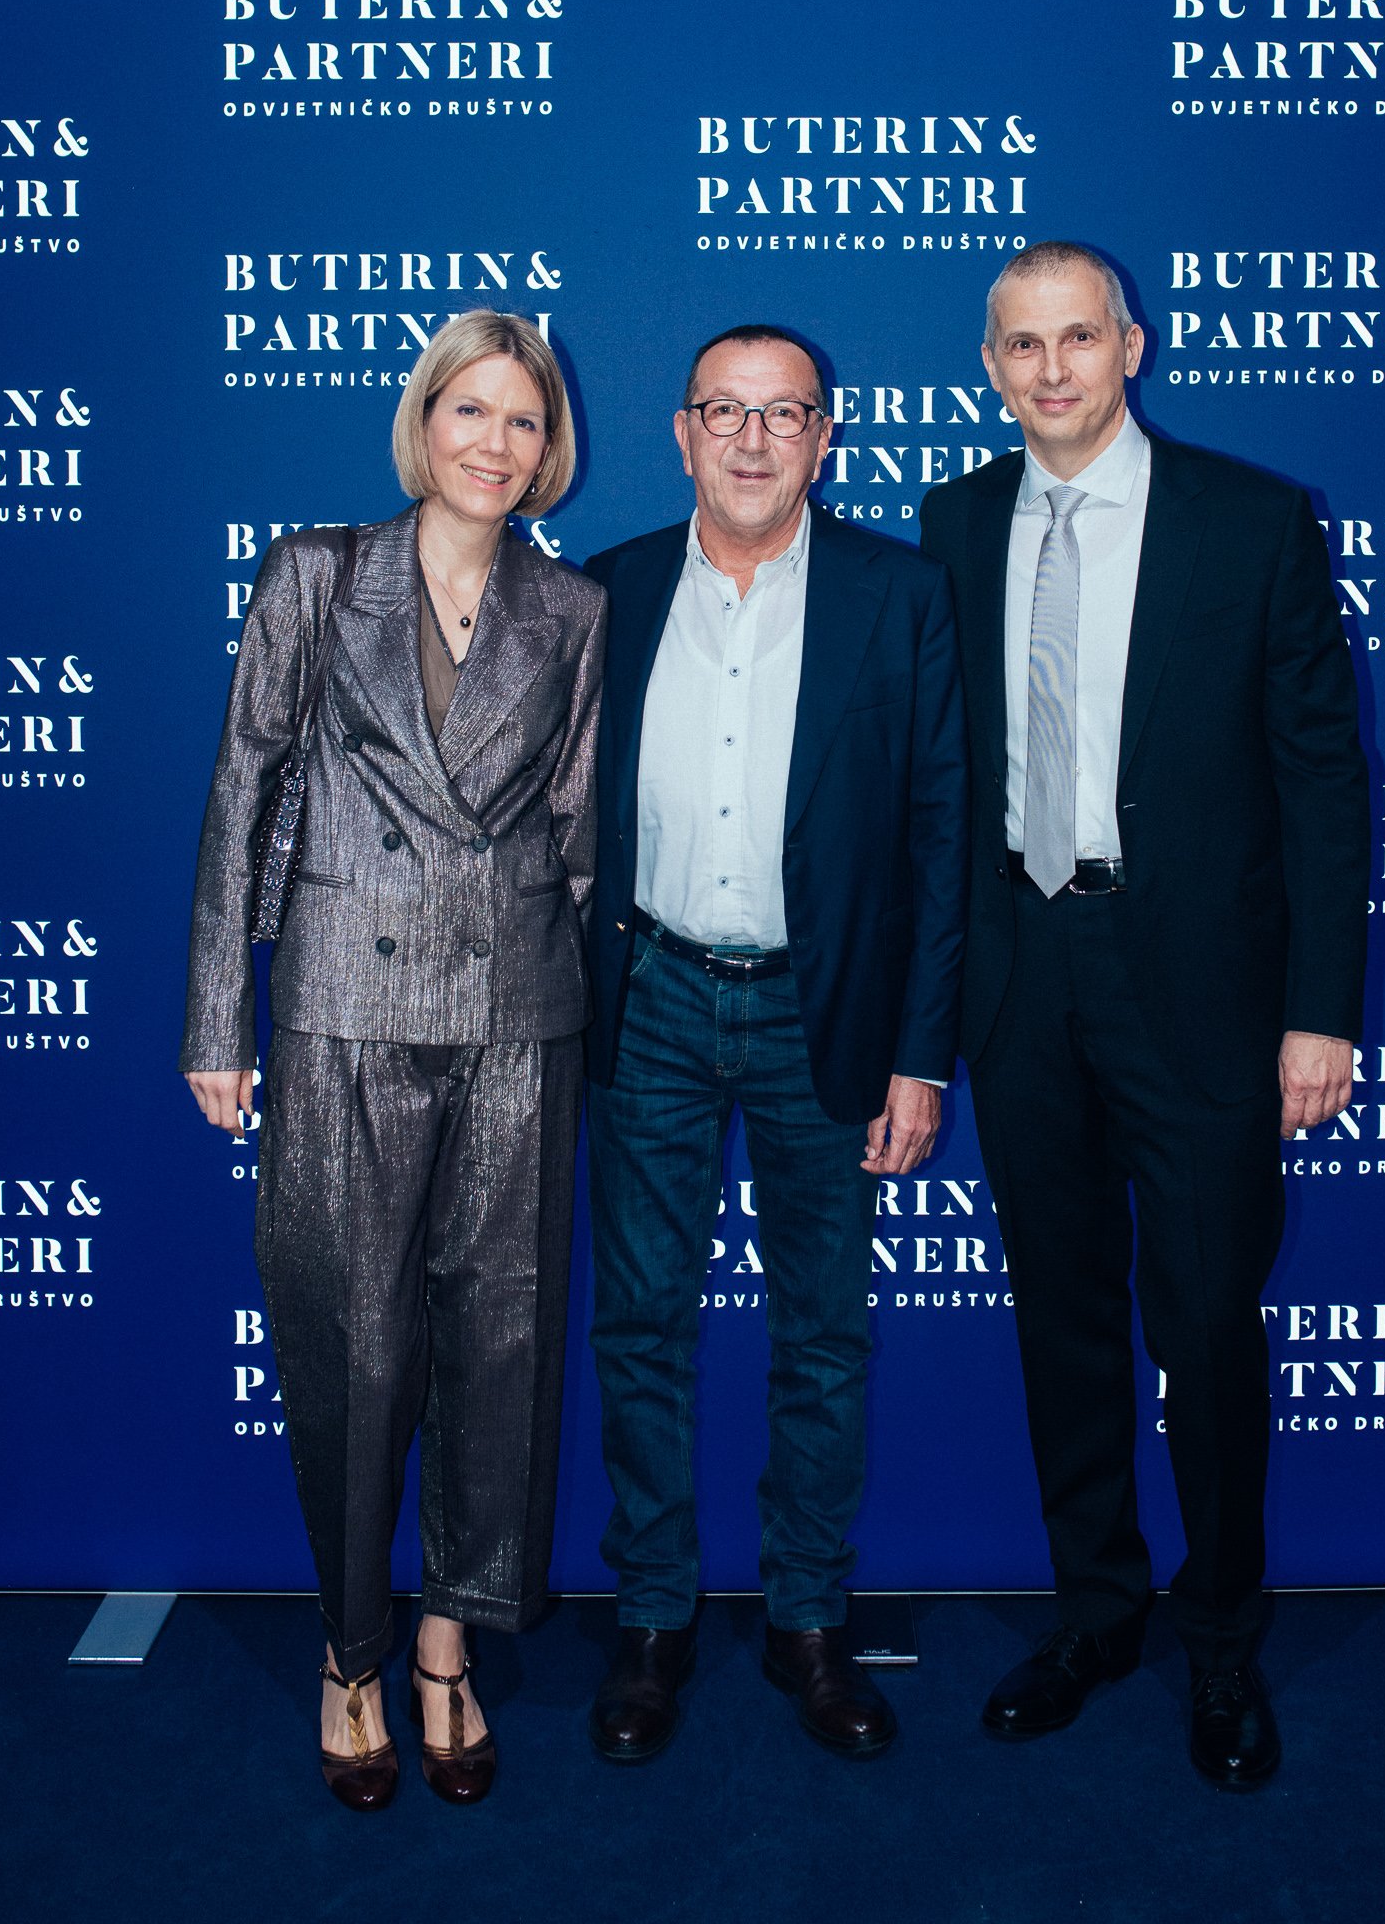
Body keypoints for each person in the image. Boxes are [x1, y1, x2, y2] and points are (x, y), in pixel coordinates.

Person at [920, 244, 1369, 1790]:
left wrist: (1321, 1011)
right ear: (991, 366)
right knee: (1063, 1320)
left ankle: (1224, 1647)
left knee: (1204, 1327)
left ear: (1135, 348)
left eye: (1079, 339)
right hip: (1021, 979)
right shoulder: (957, 522)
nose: (1051, 369)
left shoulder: (1252, 522)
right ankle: (1097, 1610)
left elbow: (1322, 780)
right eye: (1021, 345)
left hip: (1199, 992)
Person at [180, 309, 606, 1810]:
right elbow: (244, 795)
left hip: (514, 1016)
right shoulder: (315, 574)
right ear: (422, 422)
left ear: (552, 452)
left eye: (525, 421)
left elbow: (573, 841)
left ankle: (445, 1647)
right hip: (341, 1018)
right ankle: (350, 1656)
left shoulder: (574, 615)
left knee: (500, 1353)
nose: (496, 444)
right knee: (350, 1350)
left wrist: (581, 1029)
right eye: (470, 412)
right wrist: (217, 1022)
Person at [580, 325, 968, 1762]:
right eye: (725, 414)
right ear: (681, 434)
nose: (752, 440)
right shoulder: (603, 593)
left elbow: (941, 839)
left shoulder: (900, 597)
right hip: (653, 1001)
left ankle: (808, 1616)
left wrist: (920, 1058)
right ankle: (655, 1617)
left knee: (823, 1333)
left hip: (832, 1007)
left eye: (783, 414)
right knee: (640, 1325)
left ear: (825, 437)